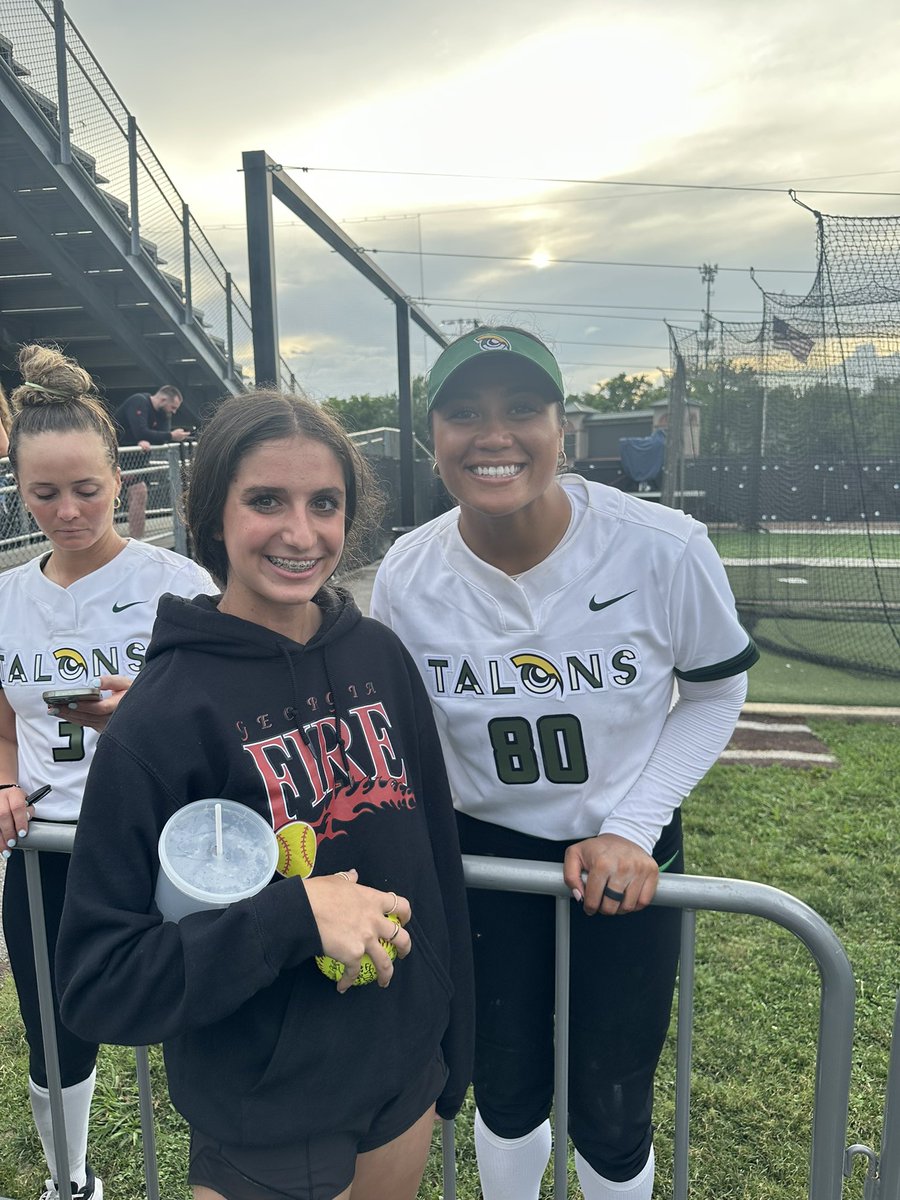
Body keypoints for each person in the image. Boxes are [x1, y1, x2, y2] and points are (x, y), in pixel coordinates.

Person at [370, 326, 758, 1200]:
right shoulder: (408, 572)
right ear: (433, 438)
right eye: (464, 412)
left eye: (521, 409)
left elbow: (713, 695)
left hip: (624, 852)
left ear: (561, 425)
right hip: (483, 856)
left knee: (613, 1096)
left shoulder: (664, 546)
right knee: (501, 1084)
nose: (493, 435)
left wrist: (631, 825)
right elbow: (398, 726)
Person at [56, 389, 474, 1200]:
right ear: (212, 515)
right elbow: (100, 979)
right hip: (267, 1107)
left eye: (325, 503)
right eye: (265, 501)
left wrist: (451, 1041)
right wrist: (295, 917)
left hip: (402, 1075)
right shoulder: (164, 717)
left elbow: (434, 862)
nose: (300, 532)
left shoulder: (382, 658)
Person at [0, 345, 217, 1200]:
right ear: (16, 485)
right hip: (51, 850)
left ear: (121, 474)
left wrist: (147, 716)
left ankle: (231, 1172)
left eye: (85, 489)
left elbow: (230, 723)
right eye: (43, 492)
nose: (67, 510)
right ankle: (70, 1181)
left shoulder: (181, 585)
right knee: (56, 1031)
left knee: (202, 1012)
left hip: (164, 847)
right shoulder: (7, 597)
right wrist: (5, 782)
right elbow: (4, 720)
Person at [115, 385, 191, 539]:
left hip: (137, 461)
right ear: (163, 399)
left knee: (139, 493)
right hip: (117, 458)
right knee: (111, 496)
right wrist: (168, 435)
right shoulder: (139, 401)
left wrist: (155, 437)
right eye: (172, 407)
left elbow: (159, 438)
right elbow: (141, 432)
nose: (174, 411)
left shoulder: (163, 414)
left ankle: (137, 540)